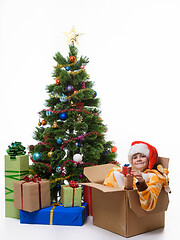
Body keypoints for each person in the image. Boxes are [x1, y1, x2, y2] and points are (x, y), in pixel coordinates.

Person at [103, 141, 170, 211]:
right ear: (131, 162)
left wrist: (141, 182)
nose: (138, 159)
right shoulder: (125, 172)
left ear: (149, 159)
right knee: (114, 171)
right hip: (118, 205)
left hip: (135, 210)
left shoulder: (154, 176)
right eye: (135, 157)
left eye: (143, 156)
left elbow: (148, 205)